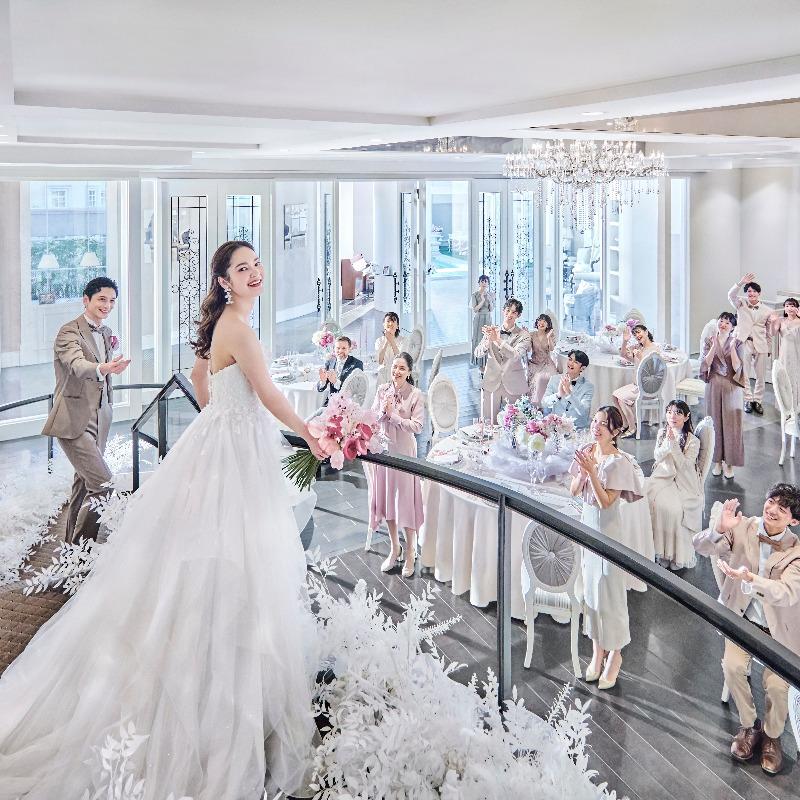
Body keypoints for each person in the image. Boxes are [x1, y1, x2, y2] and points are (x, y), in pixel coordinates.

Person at [0, 241, 326, 799]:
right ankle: (215, 687)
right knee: (238, 556)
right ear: (224, 281)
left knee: (204, 556)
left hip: (217, 442)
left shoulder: (224, 323)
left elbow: (201, 380)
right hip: (233, 452)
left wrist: (222, 415)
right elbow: (268, 393)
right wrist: (311, 433)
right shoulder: (239, 328)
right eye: (242, 268)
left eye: (256, 265)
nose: (255, 273)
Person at [693, 484, 800, 775]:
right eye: (771, 501)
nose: (772, 509)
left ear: (793, 520)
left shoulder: (796, 552)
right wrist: (719, 529)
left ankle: (772, 736)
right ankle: (749, 726)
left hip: (779, 632)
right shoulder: (743, 526)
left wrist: (751, 579)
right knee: (732, 667)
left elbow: (786, 593)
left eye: (782, 508)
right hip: (742, 621)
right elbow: (700, 547)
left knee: (777, 685)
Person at [41, 277, 131, 544]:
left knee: (83, 484)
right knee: (104, 486)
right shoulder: (68, 332)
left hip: (100, 417)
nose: (107, 305)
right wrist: (103, 368)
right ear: (86, 300)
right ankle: (83, 553)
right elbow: (77, 365)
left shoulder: (106, 332)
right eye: (102, 299)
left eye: (112, 301)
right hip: (73, 419)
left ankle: (71, 548)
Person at [569, 406, 645, 691]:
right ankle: (597, 650)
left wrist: (592, 472)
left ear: (615, 432)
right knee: (591, 592)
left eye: (603, 424)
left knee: (611, 595)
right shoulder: (588, 451)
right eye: (595, 421)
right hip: (588, 529)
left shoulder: (619, 462)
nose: (596, 427)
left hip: (609, 533)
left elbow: (605, 502)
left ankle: (616, 654)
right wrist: (582, 473)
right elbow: (574, 491)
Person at [369, 351, 425, 578]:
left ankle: (411, 551)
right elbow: (371, 418)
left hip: (404, 453)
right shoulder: (382, 390)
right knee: (389, 502)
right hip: (385, 452)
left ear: (409, 372)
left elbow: (417, 426)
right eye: (395, 367)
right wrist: (382, 412)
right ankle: (395, 548)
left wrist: (393, 416)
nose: (397, 371)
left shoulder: (416, 395)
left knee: (405, 502)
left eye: (402, 368)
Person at [646, 400, 702, 570]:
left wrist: (674, 446)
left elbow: (685, 467)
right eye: (669, 412)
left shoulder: (693, 441)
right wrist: (667, 444)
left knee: (675, 511)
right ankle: (659, 550)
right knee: (651, 501)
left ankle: (675, 553)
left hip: (683, 481)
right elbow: (657, 456)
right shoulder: (662, 432)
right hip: (662, 475)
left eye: (678, 412)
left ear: (686, 416)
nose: (673, 416)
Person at [700, 311, 745, 479]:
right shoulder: (709, 341)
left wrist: (732, 347)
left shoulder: (738, 343)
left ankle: (730, 464)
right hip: (713, 386)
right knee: (714, 424)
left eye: (727, 322)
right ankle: (717, 461)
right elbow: (705, 364)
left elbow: (738, 367)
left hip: (732, 389)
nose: (723, 324)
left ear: (732, 327)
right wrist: (714, 345)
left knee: (732, 426)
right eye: (721, 321)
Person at [474, 297, 531, 420]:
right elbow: (477, 353)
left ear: (518, 315)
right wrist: (487, 341)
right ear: (503, 311)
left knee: (516, 424)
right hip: (491, 383)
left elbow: (515, 356)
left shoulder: (524, 335)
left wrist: (498, 340)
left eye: (514, 312)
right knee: (488, 422)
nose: (509, 314)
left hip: (514, 384)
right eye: (508, 310)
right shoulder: (492, 331)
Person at [729, 272, 772, 415]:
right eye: (748, 291)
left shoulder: (768, 310)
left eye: (754, 291)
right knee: (745, 373)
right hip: (744, 342)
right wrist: (741, 283)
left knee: (760, 375)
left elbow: (769, 331)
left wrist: (769, 347)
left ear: (759, 293)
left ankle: (757, 401)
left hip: (761, 344)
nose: (751, 293)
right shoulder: (740, 304)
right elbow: (730, 295)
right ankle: (748, 399)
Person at [612, 323, 659, 437]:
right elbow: (623, 355)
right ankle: (625, 423)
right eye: (634, 334)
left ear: (646, 332)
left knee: (622, 399)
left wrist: (641, 357)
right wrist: (625, 341)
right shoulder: (638, 348)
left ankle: (632, 427)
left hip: (648, 388)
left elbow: (653, 372)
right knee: (614, 396)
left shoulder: (655, 350)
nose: (637, 335)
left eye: (638, 332)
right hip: (636, 385)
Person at [541, 349, 594, 430]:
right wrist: (559, 394)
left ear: (582, 368)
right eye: (570, 359)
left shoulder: (588, 386)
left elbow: (584, 412)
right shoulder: (555, 379)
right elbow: (544, 403)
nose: (571, 363)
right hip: (556, 427)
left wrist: (569, 393)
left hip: (577, 429)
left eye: (576, 362)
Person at [768, 297, 800, 407]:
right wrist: (772, 322)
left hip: (797, 353)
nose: (789, 308)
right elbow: (772, 333)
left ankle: (797, 405)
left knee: (796, 377)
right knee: (784, 378)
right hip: (784, 354)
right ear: (784, 308)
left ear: (797, 308)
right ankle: (786, 406)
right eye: (787, 306)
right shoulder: (781, 321)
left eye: (792, 306)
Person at [317, 335, 364, 405]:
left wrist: (335, 382)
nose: (340, 351)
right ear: (334, 348)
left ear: (349, 349)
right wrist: (323, 381)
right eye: (338, 348)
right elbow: (320, 389)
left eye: (344, 348)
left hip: (348, 404)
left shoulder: (357, 364)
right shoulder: (329, 362)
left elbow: (354, 389)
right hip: (330, 403)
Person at [528, 313, 557, 403]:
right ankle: (535, 404)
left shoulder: (550, 334)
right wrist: (525, 336)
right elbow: (528, 349)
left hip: (547, 363)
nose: (541, 323)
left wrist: (548, 338)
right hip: (535, 362)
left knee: (549, 378)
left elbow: (552, 349)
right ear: (537, 323)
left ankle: (547, 402)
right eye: (540, 320)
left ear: (548, 325)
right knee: (535, 381)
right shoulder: (531, 334)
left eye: (544, 321)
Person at [470, 274, 494, 369]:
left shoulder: (490, 294)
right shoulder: (475, 295)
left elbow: (491, 309)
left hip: (488, 318)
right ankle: (479, 361)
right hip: (479, 318)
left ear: (488, 284)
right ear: (479, 283)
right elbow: (475, 309)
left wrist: (490, 300)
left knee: (487, 339)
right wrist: (482, 300)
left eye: (486, 281)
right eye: (482, 281)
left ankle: (487, 361)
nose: (484, 283)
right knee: (478, 338)